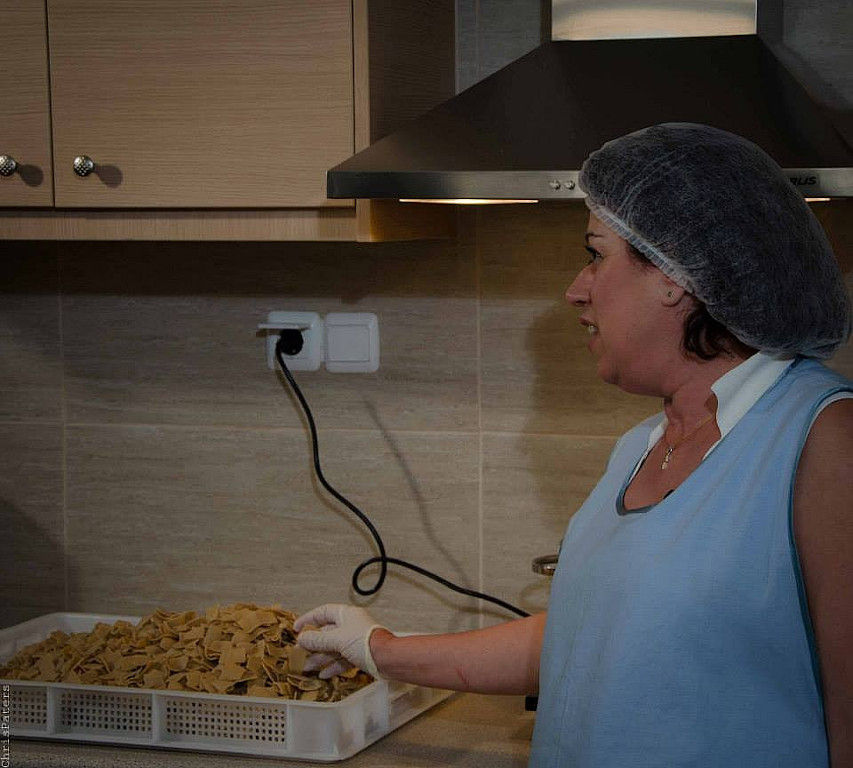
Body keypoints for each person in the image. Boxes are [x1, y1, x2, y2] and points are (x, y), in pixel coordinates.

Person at [294, 123, 853, 767]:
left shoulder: (823, 438)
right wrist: (380, 649)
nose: (576, 289)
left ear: (675, 274)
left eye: (596, 253)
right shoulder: (644, 445)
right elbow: (584, 640)